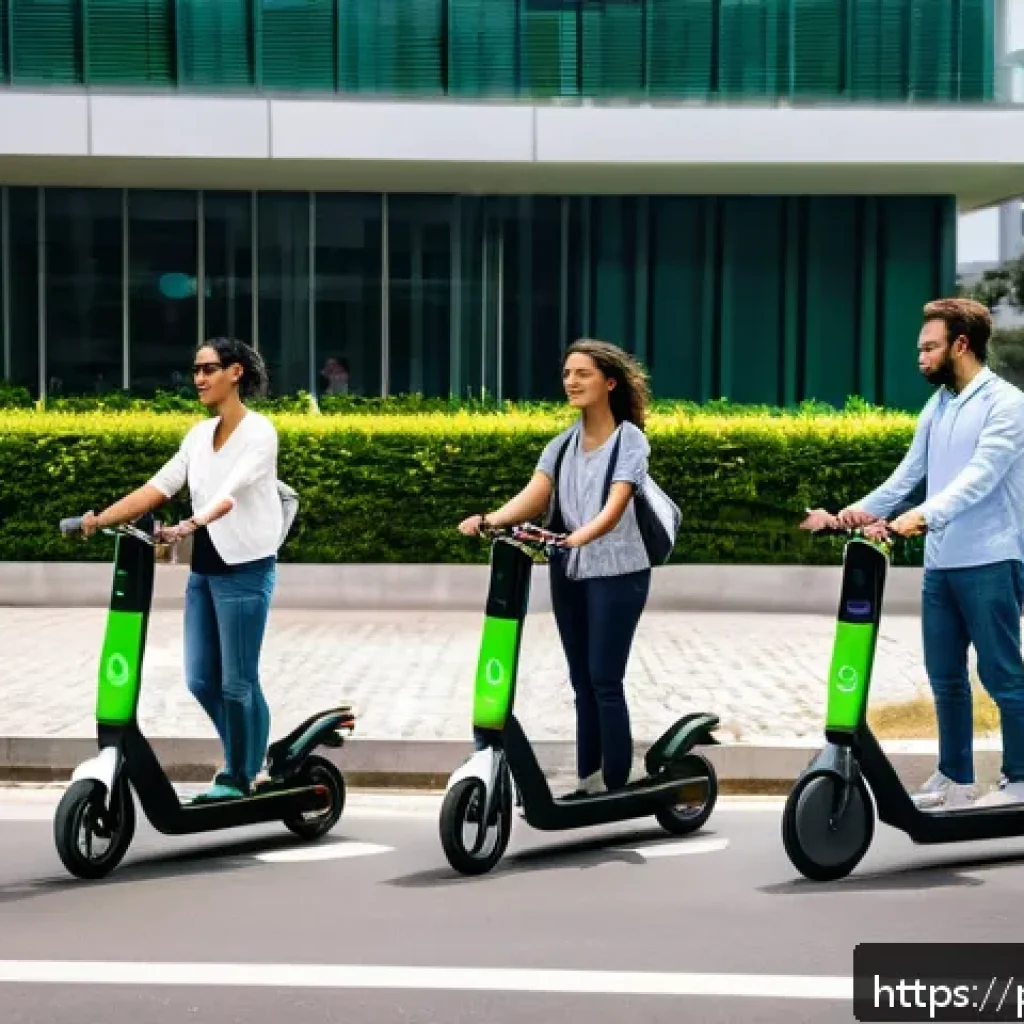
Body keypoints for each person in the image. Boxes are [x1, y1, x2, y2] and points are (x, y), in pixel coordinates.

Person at [802, 298, 1024, 810]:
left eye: (929, 348)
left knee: (1003, 675)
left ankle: (1020, 779)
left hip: (991, 559)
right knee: (945, 675)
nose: (920, 357)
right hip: (942, 564)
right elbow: (906, 477)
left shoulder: (1005, 404)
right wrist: (844, 515)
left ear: (961, 345)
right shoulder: (940, 404)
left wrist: (923, 516)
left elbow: (979, 478)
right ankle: (956, 779)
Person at [81, 338, 284, 802]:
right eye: (195, 370)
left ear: (236, 373)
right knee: (201, 679)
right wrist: (99, 519)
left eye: (209, 369)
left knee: (238, 682)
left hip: (246, 570)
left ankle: (239, 771)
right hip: (207, 571)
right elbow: (159, 486)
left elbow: (230, 492)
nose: (199, 378)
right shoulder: (198, 436)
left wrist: (190, 524)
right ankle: (251, 753)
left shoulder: (259, 432)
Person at [459, 339, 654, 795]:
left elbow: (616, 502)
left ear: (609, 382)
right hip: (569, 570)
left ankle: (617, 782)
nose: (571, 382)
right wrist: (491, 519)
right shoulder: (562, 444)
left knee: (605, 678)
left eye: (582, 374)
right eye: (567, 374)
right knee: (581, 681)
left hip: (618, 571)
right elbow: (536, 493)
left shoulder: (630, 440)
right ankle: (589, 779)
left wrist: (579, 536)